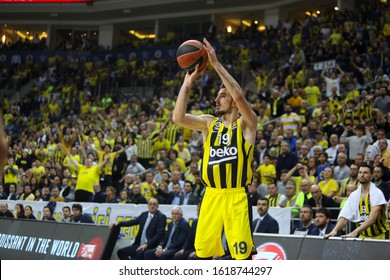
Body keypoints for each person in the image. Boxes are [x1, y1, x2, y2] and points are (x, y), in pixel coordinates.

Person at [172, 38, 257, 259]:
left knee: (241, 256)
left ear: (233, 102)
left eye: (222, 96)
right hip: (210, 195)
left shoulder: (247, 125)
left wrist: (215, 64)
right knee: (203, 253)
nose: (216, 99)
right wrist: (187, 85)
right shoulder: (210, 124)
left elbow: (238, 94)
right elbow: (178, 118)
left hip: (236, 196)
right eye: (216, 96)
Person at [325, 164, 390, 239]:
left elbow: (372, 219)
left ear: (371, 176)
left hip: (381, 235)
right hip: (363, 236)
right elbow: (345, 215)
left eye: (365, 173)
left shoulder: (377, 193)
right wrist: (335, 230)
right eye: (360, 172)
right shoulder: (354, 195)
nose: (362, 175)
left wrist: (355, 232)